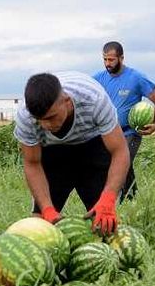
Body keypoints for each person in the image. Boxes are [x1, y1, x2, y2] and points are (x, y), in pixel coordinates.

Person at [13, 71, 129, 235]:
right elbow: (32, 163)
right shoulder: (25, 116)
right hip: (53, 151)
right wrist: (47, 209)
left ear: (66, 102)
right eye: (41, 119)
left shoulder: (94, 99)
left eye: (52, 117)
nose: (46, 125)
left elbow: (120, 151)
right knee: (39, 224)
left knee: (104, 221)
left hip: (92, 144)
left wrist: (109, 198)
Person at [93, 41, 155, 201]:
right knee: (124, 166)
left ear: (121, 58)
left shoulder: (136, 78)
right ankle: (132, 199)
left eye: (111, 60)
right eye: (105, 59)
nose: (107, 63)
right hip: (109, 132)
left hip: (130, 132)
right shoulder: (98, 79)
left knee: (119, 164)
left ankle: (116, 201)